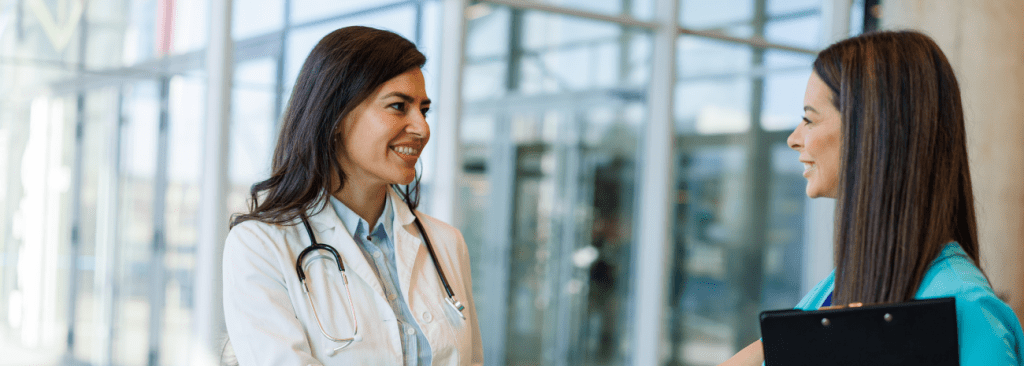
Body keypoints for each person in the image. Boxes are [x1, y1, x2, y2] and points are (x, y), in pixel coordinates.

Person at [721, 30, 1024, 365]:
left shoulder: (966, 311)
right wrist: (787, 340)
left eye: (809, 119)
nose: (794, 138)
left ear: (870, 131)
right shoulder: (838, 291)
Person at [222, 26, 483, 365]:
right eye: (398, 106)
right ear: (336, 115)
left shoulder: (446, 243)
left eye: (424, 109)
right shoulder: (260, 244)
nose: (422, 128)